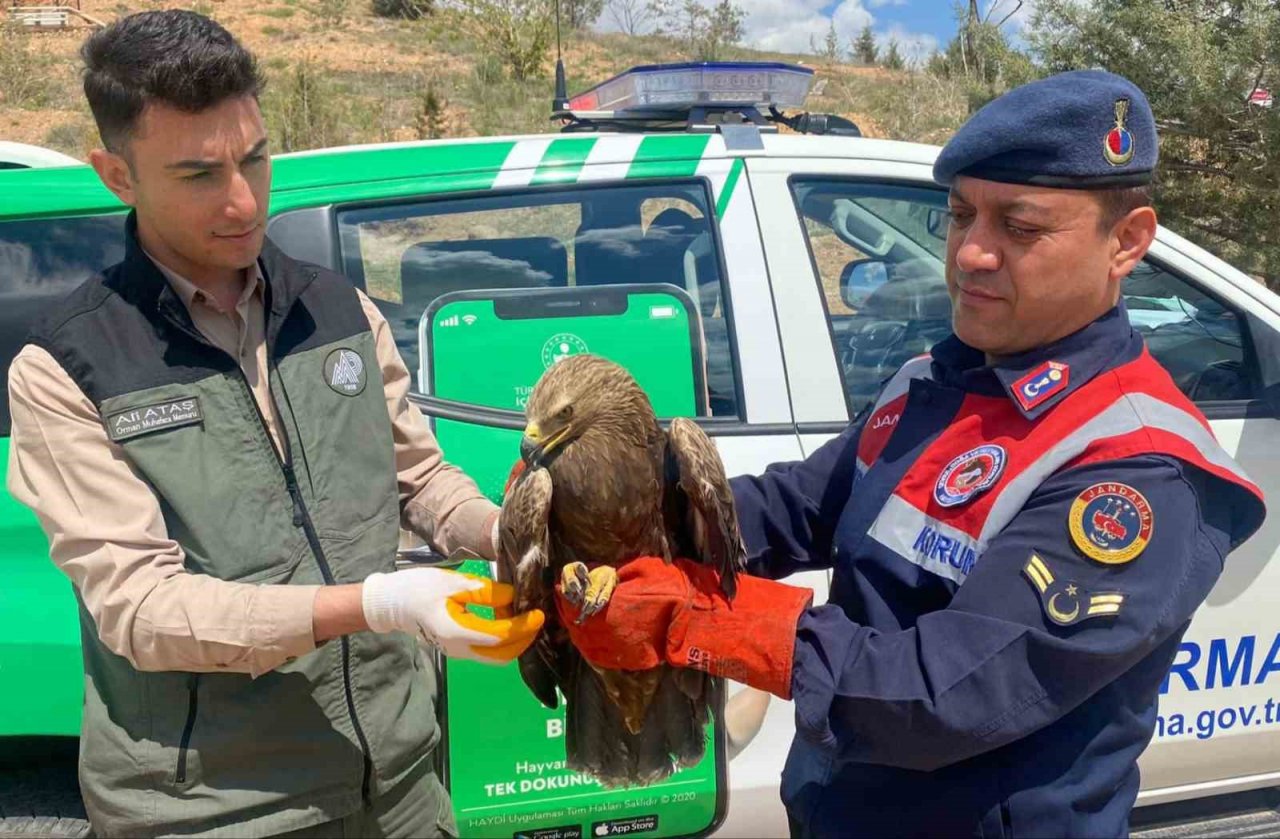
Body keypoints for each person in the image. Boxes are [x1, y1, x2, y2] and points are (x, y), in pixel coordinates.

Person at [555, 70, 1267, 837]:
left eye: (1020, 228)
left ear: (1126, 242)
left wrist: (705, 620)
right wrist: (616, 517)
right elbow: (794, 507)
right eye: (960, 216)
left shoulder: (1138, 467)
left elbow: (946, 693)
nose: (972, 255)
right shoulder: (934, 382)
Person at [6, 10, 541, 837]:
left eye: (255, 157)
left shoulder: (335, 309)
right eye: (197, 174)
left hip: (400, 785)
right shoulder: (66, 368)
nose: (243, 199)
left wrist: (509, 530)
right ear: (116, 173)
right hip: (215, 812)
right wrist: (378, 603)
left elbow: (420, 479)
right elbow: (142, 610)